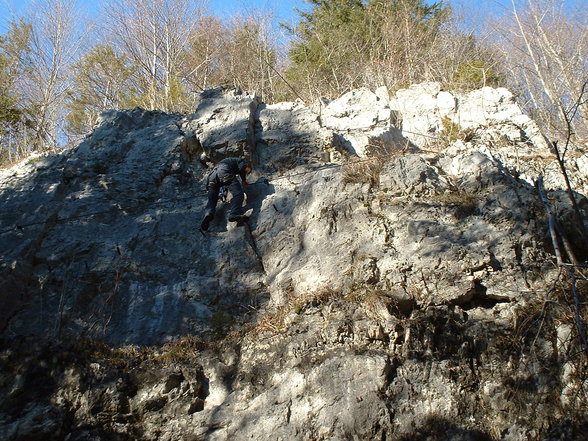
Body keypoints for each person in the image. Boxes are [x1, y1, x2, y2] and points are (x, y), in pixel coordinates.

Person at [200, 157, 252, 231]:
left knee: (212, 199)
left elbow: (223, 183)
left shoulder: (230, 163)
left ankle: (208, 213)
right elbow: (242, 167)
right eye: (248, 172)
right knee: (238, 194)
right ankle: (234, 213)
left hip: (212, 176)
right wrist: (243, 180)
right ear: (248, 166)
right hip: (224, 171)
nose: (247, 173)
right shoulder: (242, 161)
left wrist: (222, 193)